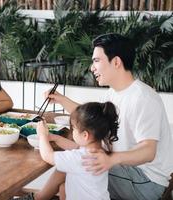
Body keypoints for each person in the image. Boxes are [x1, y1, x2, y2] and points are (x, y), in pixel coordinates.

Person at [19, 33, 173, 200]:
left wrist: (111, 160)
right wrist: (61, 100)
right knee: (69, 174)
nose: (92, 68)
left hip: (146, 182)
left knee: (72, 164)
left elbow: (148, 151)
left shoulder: (143, 98)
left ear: (116, 62)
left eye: (96, 61)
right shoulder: (113, 93)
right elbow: (90, 116)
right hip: (127, 172)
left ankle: (36, 198)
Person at [37, 102, 119, 200]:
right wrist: (55, 138)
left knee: (64, 182)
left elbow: (48, 156)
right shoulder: (101, 152)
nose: (73, 132)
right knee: (64, 187)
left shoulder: (80, 158)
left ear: (85, 135)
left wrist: (42, 135)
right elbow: (76, 147)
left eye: (74, 129)